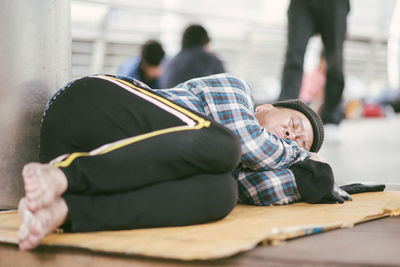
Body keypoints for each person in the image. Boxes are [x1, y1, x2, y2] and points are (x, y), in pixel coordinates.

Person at [18, 73, 350, 251]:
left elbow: (260, 191)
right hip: (92, 105)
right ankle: (64, 175)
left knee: (221, 194)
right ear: (265, 107)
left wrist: (310, 174)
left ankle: (66, 211)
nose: (290, 138)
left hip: (100, 158)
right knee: (224, 144)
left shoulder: (234, 160)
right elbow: (250, 147)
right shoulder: (237, 90)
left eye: (298, 142)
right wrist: (300, 156)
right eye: (292, 126)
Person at [278, 0, 350, 126]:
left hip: (335, 4)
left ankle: (331, 119)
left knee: (335, 62)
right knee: (294, 58)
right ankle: (284, 112)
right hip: (301, 4)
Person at [160, 24, 225, 88]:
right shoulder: (211, 60)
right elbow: (224, 86)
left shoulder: (170, 61)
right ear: (205, 41)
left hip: (169, 98)